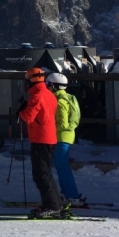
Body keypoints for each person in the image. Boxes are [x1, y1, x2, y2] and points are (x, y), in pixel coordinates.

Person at [18, 68, 63, 219]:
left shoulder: (36, 97)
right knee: (46, 174)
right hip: (50, 138)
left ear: (30, 81)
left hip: (40, 139)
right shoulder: (49, 94)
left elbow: (28, 117)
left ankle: (51, 206)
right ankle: (56, 204)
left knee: (40, 175)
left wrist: (21, 110)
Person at [46, 73, 85, 208]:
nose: (47, 87)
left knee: (62, 167)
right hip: (65, 136)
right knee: (60, 166)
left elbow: (62, 123)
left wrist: (47, 128)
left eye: (48, 84)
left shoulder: (59, 100)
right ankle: (66, 194)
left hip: (61, 137)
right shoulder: (68, 97)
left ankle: (72, 196)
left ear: (54, 86)